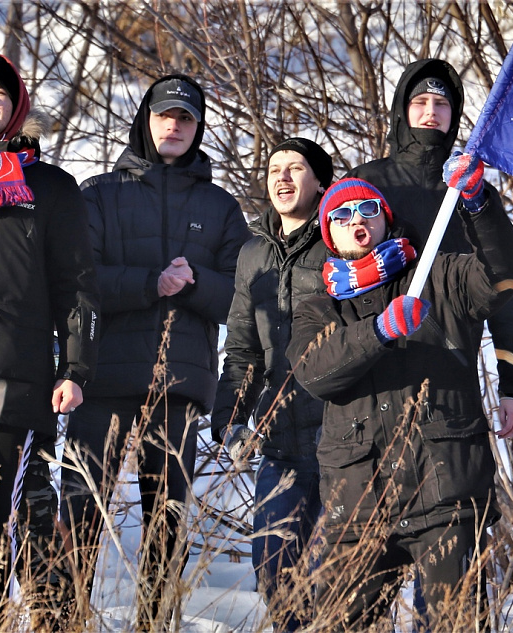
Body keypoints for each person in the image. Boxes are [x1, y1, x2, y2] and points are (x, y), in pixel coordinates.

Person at [286, 172, 513, 631]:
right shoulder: (318, 307)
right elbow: (314, 372)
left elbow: (506, 275)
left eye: (368, 210)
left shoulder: (442, 276)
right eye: (342, 215)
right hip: (355, 506)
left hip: (445, 493)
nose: (357, 221)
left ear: (385, 219)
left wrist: (480, 206)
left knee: (458, 625)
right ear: (327, 232)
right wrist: (376, 333)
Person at [59, 74, 250, 630]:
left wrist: (193, 285)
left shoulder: (220, 206)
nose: (174, 126)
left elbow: (243, 296)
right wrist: (150, 282)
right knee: (80, 509)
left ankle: (154, 623)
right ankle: (65, 620)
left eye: (186, 118)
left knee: (167, 523)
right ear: (145, 119)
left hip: (180, 386)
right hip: (102, 379)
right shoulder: (97, 193)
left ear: (198, 128)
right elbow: (79, 281)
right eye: (165, 115)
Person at [0, 53, 100, 630]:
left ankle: (0, 623)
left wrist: (75, 368)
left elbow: (77, 286)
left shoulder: (50, 186)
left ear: (18, 105)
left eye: (1, 93)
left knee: (0, 522)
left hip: (18, 376)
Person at [346, 58, 513, 439]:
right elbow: (327, 282)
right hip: (373, 376)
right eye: (420, 101)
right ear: (402, 110)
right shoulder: (365, 183)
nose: (430, 112)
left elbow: (508, 289)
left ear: (454, 114)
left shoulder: (472, 193)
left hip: (451, 375)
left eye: (441, 104)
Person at [211, 138, 333, 631]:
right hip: (280, 442)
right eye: (274, 169)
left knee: (338, 580)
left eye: (296, 168)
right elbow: (241, 348)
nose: (282, 178)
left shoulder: (340, 238)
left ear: (320, 181)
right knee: (274, 573)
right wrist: (230, 419)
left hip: (339, 438)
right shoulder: (253, 252)